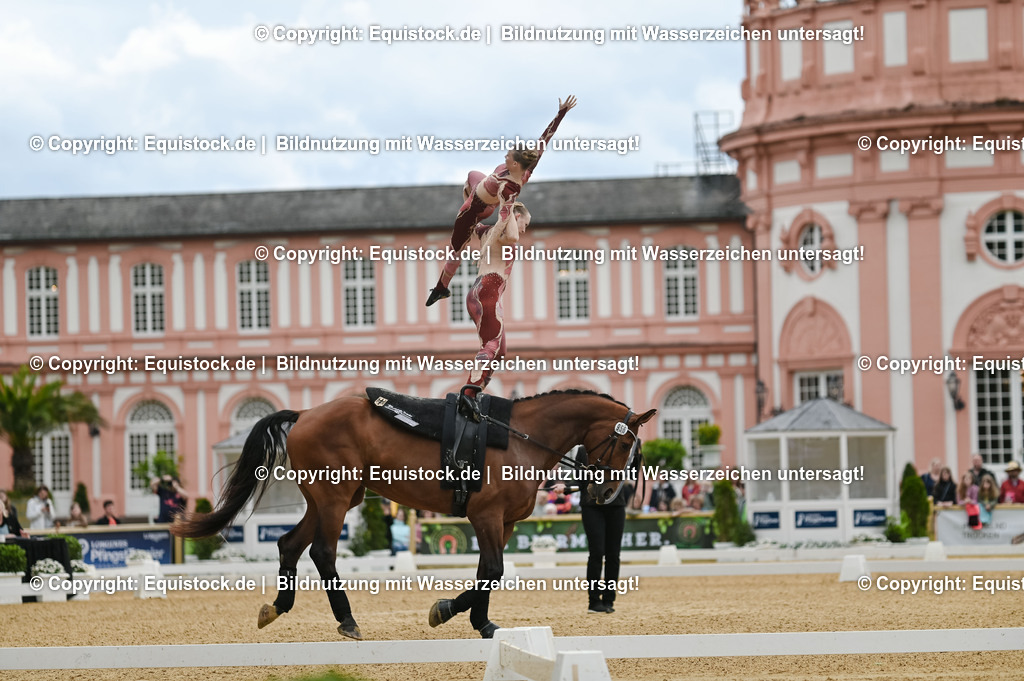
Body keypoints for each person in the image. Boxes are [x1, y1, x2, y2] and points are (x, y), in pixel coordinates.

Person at [426, 95, 577, 306]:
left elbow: (501, 223)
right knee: (471, 174)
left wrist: (485, 249)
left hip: (476, 208)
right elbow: (546, 138)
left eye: (508, 157)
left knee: (455, 251)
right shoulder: (528, 164)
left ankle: (441, 288)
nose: (505, 157)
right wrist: (561, 113)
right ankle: (470, 216)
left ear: (515, 165)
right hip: (479, 184)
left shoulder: (509, 191)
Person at [462, 203, 531, 393]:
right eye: (524, 224)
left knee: (500, 351)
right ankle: (468, 394)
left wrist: (474, 197)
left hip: (477, 293)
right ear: (516, 218)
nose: (524, 230)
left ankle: (477, 389)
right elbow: (512, 235)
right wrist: (507, 202)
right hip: (488, 291)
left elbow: (471, 217)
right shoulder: (505, 235)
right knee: (491, 346)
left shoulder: (487, 232)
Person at [578, 449, 626, 614]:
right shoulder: (583, 451)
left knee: (613, 555)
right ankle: (593, 600)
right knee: (597, 552)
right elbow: (580, 479)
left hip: (616, 504)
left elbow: (630, 471)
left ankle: (609, 599)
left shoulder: (619, 448)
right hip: (592, 505)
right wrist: (566, 487)